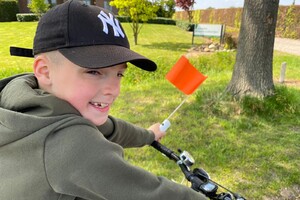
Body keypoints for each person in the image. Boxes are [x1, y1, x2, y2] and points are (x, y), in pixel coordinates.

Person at [0, 0, 207, 199]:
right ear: (45, 71)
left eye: (119, 74)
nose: (113, 90)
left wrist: (148, 135)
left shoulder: (21, 100)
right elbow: (151, 193)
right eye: (94, 72)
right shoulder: (71, 145)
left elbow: (111, 129)